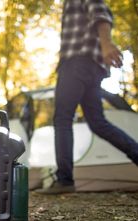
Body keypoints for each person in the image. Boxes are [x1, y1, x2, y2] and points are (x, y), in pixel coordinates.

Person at [36, 0, 138, 194]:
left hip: (77, 62)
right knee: (98, 123)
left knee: (63, 118)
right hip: (93, 66)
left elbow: (100, 13)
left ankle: (64, 180)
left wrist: (107, 45)